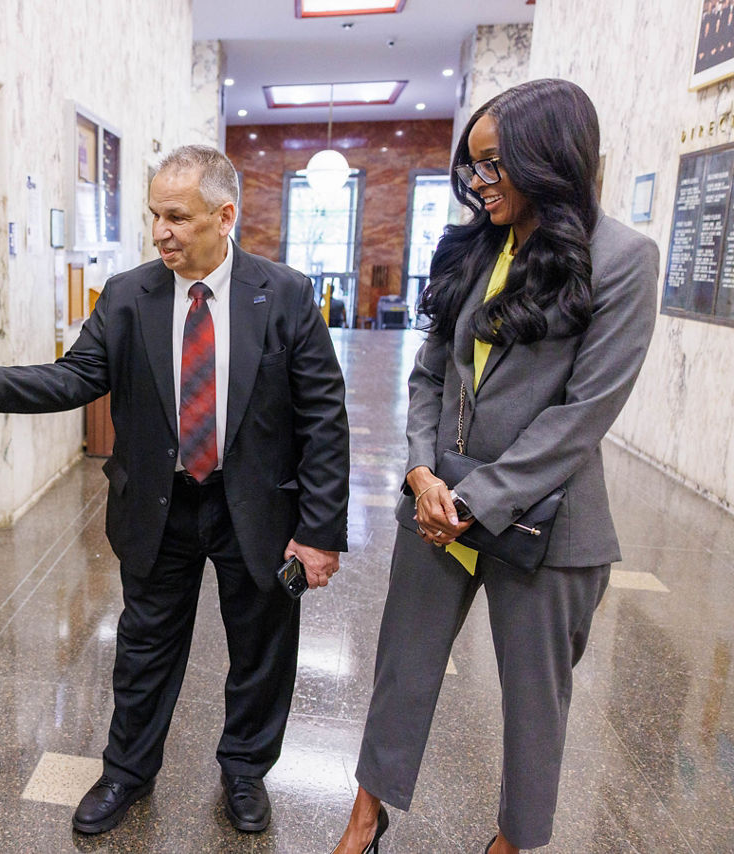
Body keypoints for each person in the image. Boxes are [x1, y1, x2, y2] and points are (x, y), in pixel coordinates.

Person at [0, 144, 349, 834]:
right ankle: (126, 773)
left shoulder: (285, 295)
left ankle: (243, 771)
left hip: (257, 508)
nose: (160, 231)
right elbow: (76, 377)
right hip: (160, 506)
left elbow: (324, 416)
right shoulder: (128, 295)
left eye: (177, 216)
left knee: (262, 650)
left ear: (224, 215)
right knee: (144, 649)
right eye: (154, 215)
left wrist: (320, 532)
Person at [330, 79, 658, 854]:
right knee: (400, 671)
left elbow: (582, 416)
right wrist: (419, 475)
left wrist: (473, 498)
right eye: (470, 168)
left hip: (547, 522)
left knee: (533, 705)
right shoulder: (477, 246)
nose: (477, 185)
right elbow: (427, 373)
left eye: (492, 166)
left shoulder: (621, 261)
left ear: (549, 158)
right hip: (438, 503)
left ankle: (512, 842)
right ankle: (364, 819)